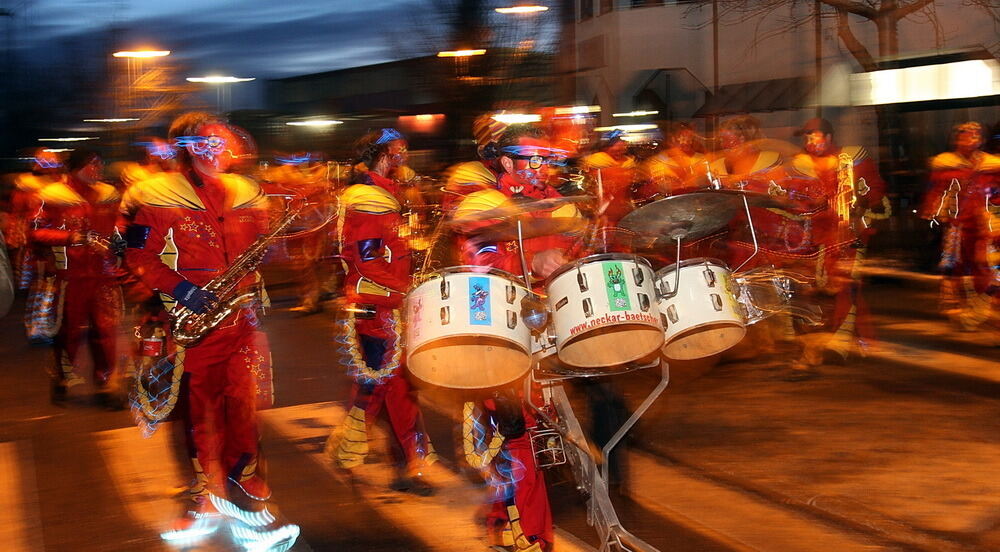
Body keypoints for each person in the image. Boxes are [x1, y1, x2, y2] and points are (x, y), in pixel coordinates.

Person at [122, 112, 296, 548]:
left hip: (242, 318)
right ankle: (209, 497)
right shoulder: (156, 194)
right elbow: (136, 256)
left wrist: (278, 244)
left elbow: (267, 249)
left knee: (243, 407)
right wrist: (181, 288)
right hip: (193, 324)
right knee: (200, 414)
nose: (224, 150)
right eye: (211, 143)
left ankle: (243, 489)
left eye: (224, 142)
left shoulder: (247, 191)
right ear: (189, 147)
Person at [454, 124, 579, 552]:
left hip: (542, 339)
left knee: (522, 438)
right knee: (520, 437)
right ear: (507, 163)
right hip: (498, 338)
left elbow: (565, 265)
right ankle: (533, 537)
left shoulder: (552, 208)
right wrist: (530, 257)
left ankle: (500, 523)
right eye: (534, 159)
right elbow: (479, 270)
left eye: (548, 158)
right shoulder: (486, 207)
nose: (544, 167)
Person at [325, 128, 438, 496]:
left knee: (392, 386)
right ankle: (361, 454)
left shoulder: (385, 195)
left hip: (387, 303)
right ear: (385, 155)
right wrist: (406, 292)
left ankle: (401, 461)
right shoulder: (370, 200)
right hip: (378, 306)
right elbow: (367, 260)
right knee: (379, 387)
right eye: (399, 152)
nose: (404, 159)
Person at [786, 117, 890, 370]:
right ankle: (863, 342)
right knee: (823, 288)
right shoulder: (800, 165)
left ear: (829, 137)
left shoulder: (852, 158)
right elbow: (793, 197)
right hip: (816, 238)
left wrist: (863, 203)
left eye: (815, 136)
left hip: (850, 234)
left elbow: (875, 189)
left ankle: (829, 346)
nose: (809, 142)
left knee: (846, 287)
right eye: (806, 137)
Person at [31, 149, 123, 406]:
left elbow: (119, 225)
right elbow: (36, 231)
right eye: (91, 164)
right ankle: (62, 377)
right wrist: (69, 238)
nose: (97, 169)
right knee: (68, 331)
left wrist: (119, 241)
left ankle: (106, 385)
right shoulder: (53, 196)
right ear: (76, 168)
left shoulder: (108, 195)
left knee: (106, 331)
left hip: (103, 274)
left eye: (99, 163)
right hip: (70, 275)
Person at [920, 122, 1000, 332]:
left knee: (987, 265)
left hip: (984, 224)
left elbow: (997, 193)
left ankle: (992, 310)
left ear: (981, 139)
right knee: (953, 265)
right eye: (965, 136)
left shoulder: (991, 165)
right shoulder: (946, 165)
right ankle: (955, 305)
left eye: (975, 136)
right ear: (957, 139)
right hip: (957, 224)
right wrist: (934, 211)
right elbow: (936, 191)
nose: (970, 139)